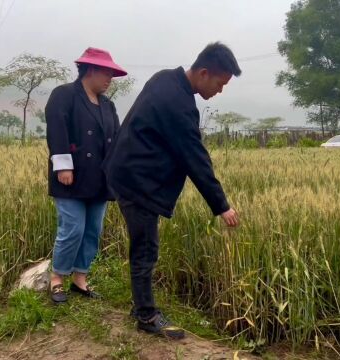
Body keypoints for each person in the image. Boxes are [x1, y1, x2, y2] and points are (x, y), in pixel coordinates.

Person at [104, 42, 241, 339]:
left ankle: (141, 304)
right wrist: (222, 205)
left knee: (143, 245)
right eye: (220, 83)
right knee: (145, 248)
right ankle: (146, 315)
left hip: (127, 172)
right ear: (204, 73)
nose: (220, 90)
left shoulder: (165, 78)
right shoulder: (178, 105)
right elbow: (196, 159)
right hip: (137, 180)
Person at [45, 47, 127, 304]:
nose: (110, 79)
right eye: (106, 72)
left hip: (100, 178)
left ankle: (80, 278)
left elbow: (116, 140)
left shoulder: (108, 105)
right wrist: (63, 166)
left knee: (92, 229)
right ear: (90, 70)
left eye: (112, 74)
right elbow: (57, 130)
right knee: (72, 228)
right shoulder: (65, 95)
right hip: (71, 177)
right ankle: (57, 277)